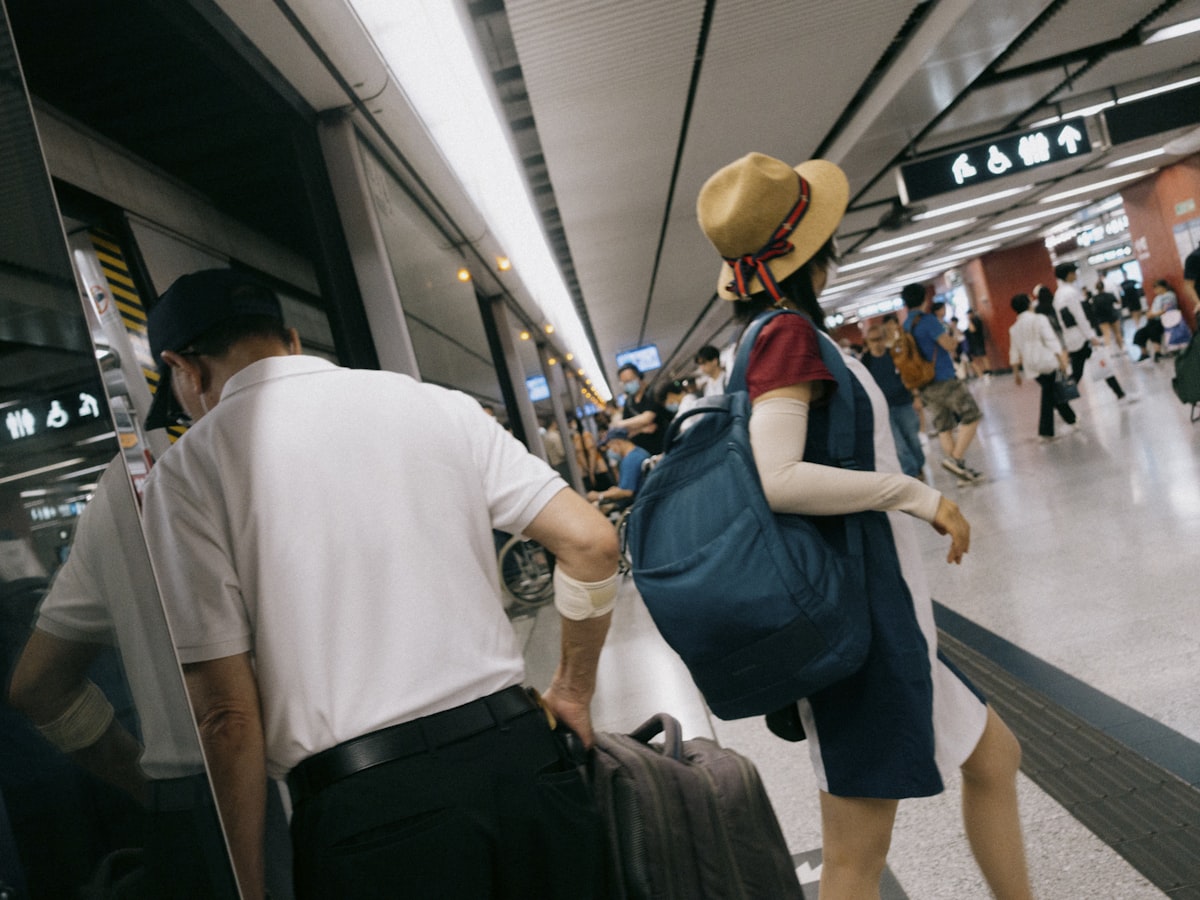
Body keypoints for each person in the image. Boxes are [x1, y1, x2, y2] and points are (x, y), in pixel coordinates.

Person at [137, 269, 618, 900]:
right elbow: (590, 543)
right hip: (525, 764)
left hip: (373, 816)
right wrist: (573, 692)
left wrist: (248, 886)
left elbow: (227, 715)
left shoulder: (189, 471)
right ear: (290, 337)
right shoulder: (432, 403)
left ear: (184, 368)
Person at [696, 152, 1032, 900]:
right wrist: (915, 494)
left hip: (884, 616)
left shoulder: (769, 337)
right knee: (855, 854)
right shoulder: (785, 337)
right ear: (814, 249)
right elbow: (779, 479)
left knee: (995, 757)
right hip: (862, 626)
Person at [7, 458, 240, 897]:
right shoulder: (239, 453)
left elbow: (38, 686)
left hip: (185, 809)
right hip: (311, 785)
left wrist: (146, 787)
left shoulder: (116, 495)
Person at [901, 283, 985, 481]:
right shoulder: (928, 320)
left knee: (944, 426)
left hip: (924, 385)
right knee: (972, 415)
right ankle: (955, 459)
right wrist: (953, 337)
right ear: (925, 299)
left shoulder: (905, 325)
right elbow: (948, 344)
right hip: (943, 378)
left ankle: (960, 473)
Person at [1053, 262, 1129, 400]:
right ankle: (1059, 399)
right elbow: (1079, 316)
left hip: (1073, 337)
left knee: (1091, 366)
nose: (1076, 275)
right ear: (1069, 274)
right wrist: (1091, 336)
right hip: (1081, 338)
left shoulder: (1058, 294)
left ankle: (1120, 393)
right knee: (1082, 370)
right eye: (1074, 272)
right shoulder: (1070, 293)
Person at [1008, 294, 1076, 441]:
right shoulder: (1039, 319)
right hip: (1047, 361)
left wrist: (1016, 374)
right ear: (1028, 304)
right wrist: (1062, 360)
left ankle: (1072, 420)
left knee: (1052, 391)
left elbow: (1014, 351)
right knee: (1049, 394)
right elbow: (1051, 340)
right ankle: (1045, 432)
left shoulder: (1014, 328)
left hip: (1031, 366)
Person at [859, 324, 924, 478]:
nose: (877, 343)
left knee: (913, 439)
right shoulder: (866, 362)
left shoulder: (894, 356)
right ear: (867, 342)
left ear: (884, 339)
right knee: (899, 445)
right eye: (873, 340)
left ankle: (919, 465)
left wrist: (916, 397)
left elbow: (908, 376)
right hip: (884, 409)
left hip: (904, 403)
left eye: (879, 339)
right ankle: (912, 473)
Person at [585, 426, 649, 507]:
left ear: (617, 443)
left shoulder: (630, 460)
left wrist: (599, 495)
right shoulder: (639, 452)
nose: (610, 450)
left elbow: (627, 492)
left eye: (610, 446)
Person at [616, 363, 670, 454]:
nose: (628, 385)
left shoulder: (652, 393)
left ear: (639, 377)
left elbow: (647, 418)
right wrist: (641, 429)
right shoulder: (629, 402)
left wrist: (621, 423)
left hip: (663, 447)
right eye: (624, 383)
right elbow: (627, 431)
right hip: (643, 452)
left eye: (629, 380)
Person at [1133, 279, 1190, 361]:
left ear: (1162, 287)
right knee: (1140, 333)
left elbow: (1167, 309)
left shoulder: (1169, 296)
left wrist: (1154, 314)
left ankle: (1157, 352)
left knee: (1154, 330)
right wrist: (1149, 314)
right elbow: (1153, 309)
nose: (1155, 290)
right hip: (1153, 320)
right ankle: (1144, 353)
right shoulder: (1157, 298)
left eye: (1156, 288)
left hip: (1163, 320)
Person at [1090, 278, 1124, 350]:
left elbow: (1093, 310)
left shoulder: (1095, 298)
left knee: (1106, 335)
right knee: (1117, 333)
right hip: (1112, 316)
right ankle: (1121, 349)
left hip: (1102, 319)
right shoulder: (1109, 295)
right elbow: (1118, 302)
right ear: (1104, 286)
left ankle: (1109, 352)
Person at [965, 310, 988, 378]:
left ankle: (987, 372)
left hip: (978, 342)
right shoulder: (975, 321)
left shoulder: (976, 321)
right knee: (979, 358)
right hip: (976, 343)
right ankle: (984, 372)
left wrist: (969, 321)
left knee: (982, 357)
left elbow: (972, 330)